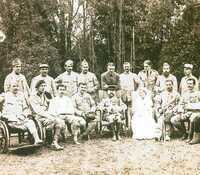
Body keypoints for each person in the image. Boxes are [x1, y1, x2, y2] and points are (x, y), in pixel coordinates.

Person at [30, 80, 65, 150]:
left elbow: (49, 103)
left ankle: (54, 142)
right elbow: (38, 111)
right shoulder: (32, 97)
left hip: (46, 115)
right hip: (37, 117)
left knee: (59, 122)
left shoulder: (44, 95)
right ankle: (50, 142)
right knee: (54, 121)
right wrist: (50, 116)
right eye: (41, 86)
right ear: (37, 88)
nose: (43, 88)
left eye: (44, 86)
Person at [119, 62, 140, 131]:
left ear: (130, 67)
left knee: (131, 110)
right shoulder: (120, 76)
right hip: (123, 94)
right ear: (123, 67)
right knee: (123, 110)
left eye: (128, 67)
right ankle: (123, 127)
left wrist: (136, 92)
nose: (126, 68)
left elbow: (139, 83)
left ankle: (131, 127)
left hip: (131, 94)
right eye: (125, 67)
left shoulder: (133, 75)